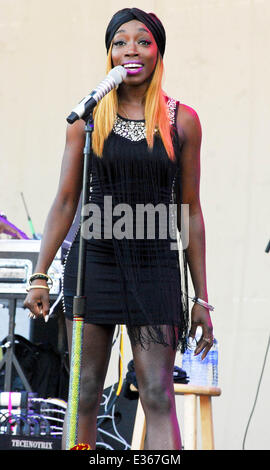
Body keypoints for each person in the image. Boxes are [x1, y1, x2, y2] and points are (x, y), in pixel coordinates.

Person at [23, 8, 214, 451]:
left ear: (158, 53)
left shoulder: (181, 120)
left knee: (156, 394)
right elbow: (66, 202)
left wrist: (203, 297)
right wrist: (40, 273)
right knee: (84, 392)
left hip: (157, 265)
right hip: (95, 263)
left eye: (143, 41)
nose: (131, 49)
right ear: (108, 53)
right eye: (120, 42)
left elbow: (191, 211)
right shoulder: (87, 120)